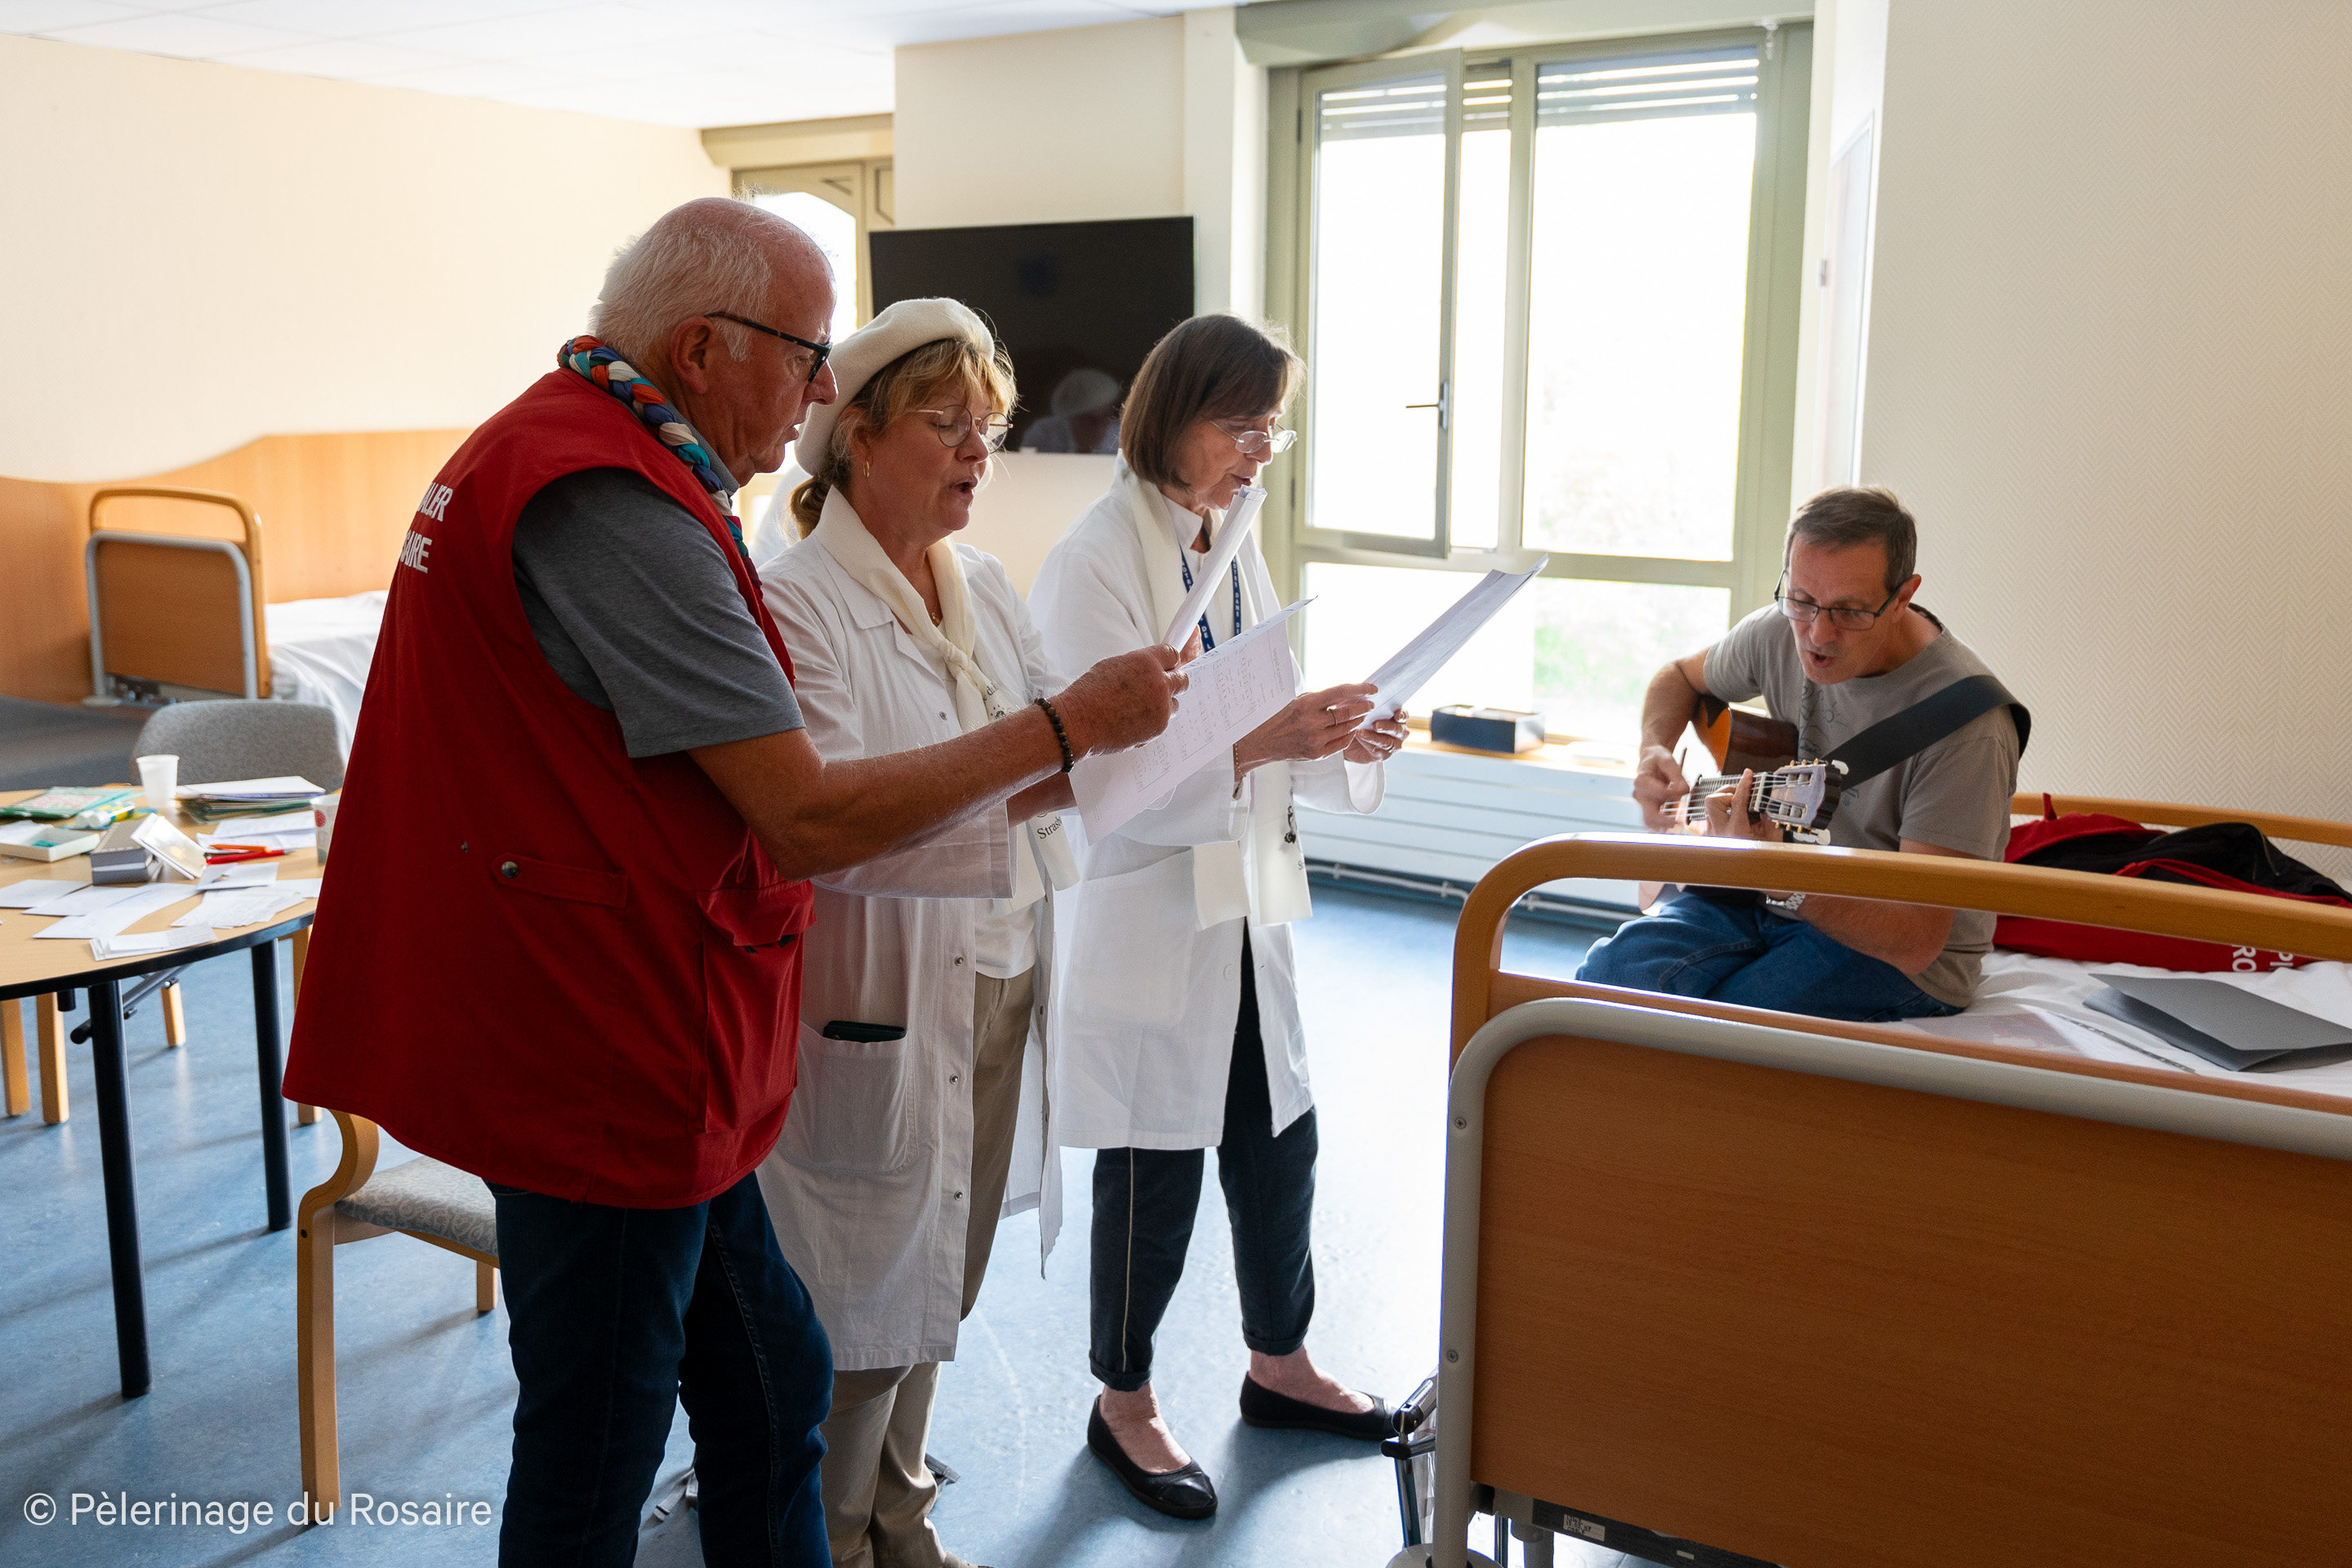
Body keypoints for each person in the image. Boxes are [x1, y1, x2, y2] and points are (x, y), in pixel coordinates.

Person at [281, 198, 1187, 1568]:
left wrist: (1088, 744)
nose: (820, 391)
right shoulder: (608, 501)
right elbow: (807, 813)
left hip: (652, 1030)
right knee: (601, 1443)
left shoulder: (591, 460)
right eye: (808, 356)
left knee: (774, 1381)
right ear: (703, 348)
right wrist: (1066, 730)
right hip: (602, 1049)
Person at [1027, 314, 1410, 1522]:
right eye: (1242, 428)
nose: (1259, 454)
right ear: (1171, 418)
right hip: (1150, 907)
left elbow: (1259, 715)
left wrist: (1337, 735)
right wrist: (1259, 744)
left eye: (1271, 432)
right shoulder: (1094, 561)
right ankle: (1123, 1400)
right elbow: (1098, 780)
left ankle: (1279, 1365)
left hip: (1245, 896)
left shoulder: (1229, 537)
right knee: (1154, 1169)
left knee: (1279, 1138)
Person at [753, 297, 1069, 1568]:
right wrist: (1063, 746)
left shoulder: (980, 581)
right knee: (853, 1300)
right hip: (874, 992)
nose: (978, 453)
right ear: (858, 437)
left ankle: (901, 1513)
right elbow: (842, 827)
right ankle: (828, 1537)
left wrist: (1198, 735)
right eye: (947, 423)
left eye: (988, 426)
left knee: (946, 1263)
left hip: (997, 967)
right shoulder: (796, 605)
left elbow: (1054, 740)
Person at [1578, 485, 2025, 1022]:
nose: (1817, 634)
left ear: (1903, 597)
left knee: (1728, 1028)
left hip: (1893, 954)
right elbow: (1677, 678)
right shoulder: (1776, 633)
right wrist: (1654, 748)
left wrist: (1781, 879)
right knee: (1604, 983)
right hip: (1759, 895)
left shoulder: (1969, 729)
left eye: (1850, 611)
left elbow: (1916, 939)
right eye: (1801, 600)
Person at [1020, 366, 1121, 454]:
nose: (1100, 426)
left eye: (1105, 416)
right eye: (1091, 419)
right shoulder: (1042, 433)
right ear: (1072, 417)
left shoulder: (1119, 438)